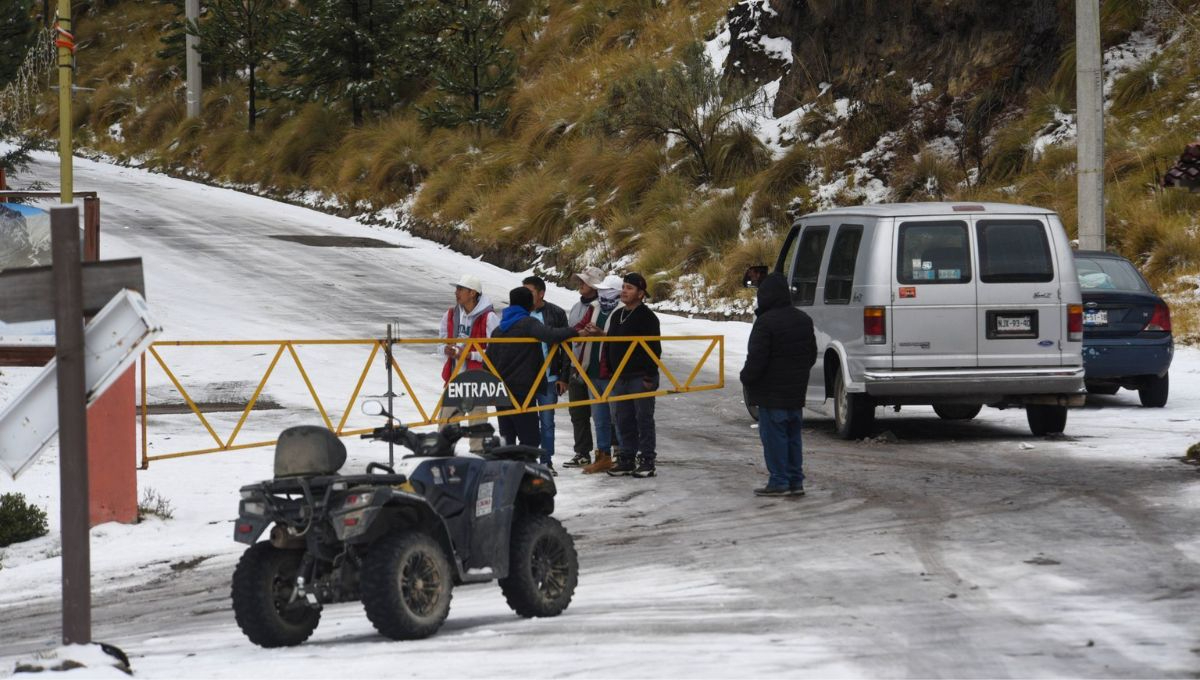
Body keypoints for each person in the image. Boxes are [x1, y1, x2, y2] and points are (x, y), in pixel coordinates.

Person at [739, 271, 817, 497]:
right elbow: (811, 355)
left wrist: (746, 378)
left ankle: (779, 481)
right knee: (793, 438)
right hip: (795, 393)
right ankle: (795, 480)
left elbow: (756, 359)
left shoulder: (765, 323)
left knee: (774, 439)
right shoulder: (804, 320)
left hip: (771, 395)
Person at [490, 286, 583, 455]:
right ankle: (526, 475)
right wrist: (576, 332)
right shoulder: (527, 323)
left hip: (501, 390)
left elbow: (489, 361)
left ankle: (508, 472)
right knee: (530, 438)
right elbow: (551, 335)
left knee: (507, 435)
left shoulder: (499, 328)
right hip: (522, 390)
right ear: (529, 304)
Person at [596, 273, 661, 478]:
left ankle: (647, 460)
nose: (624, 291)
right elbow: (610, 344)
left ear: (641, 294)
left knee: (643, 418)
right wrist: (610, 371)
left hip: (640, 376)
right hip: (620, 376)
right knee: (622, 418)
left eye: (630, 288)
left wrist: (649, 376)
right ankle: (627, 458)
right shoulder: (617, 315)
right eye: (623, 287)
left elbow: (653, 348)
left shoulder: (647, 317)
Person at [437, 274, 499, 451]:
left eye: (460, 289)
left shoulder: (489, 318)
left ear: (472, 293)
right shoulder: (449, 314)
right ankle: (442, 454)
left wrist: (469, 355)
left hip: (477, 379)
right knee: (446, 423)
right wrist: (447, 350)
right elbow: (440, 342)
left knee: (477, 425)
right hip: (455, 377)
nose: (456, 293)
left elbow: (495, 351)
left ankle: (479, 457)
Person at [522, 275, 570, 472]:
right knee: (527, 422)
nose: (525, 295)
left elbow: (567, 346)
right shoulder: (519, 313)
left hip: (549, 378)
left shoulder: (556, 313)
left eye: (529, 292)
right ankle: (529, 461)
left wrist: (564, 376)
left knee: (547, 422)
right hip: (524, 378)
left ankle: (546, 461)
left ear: (541, 293)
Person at [579, 274, 624, 474]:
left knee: (619, 416)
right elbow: (579, 327)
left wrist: (601, 334)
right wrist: (577, 333)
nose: (602, 293)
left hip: (612, 371)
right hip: (592, 369)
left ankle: (624, 455)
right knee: (599, 417)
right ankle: (603, 456)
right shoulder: (594, 307)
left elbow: (624, 337)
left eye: (606, 290)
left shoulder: (622, 310)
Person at [561, 266, 605, 469]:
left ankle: (608, 451)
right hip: (575, 364)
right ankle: (582, 452)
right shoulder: (577, 306)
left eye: (585, 281)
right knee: (577, 412)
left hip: (596, 367)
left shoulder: (605, 307)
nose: (581, 283)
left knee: (602, 413)